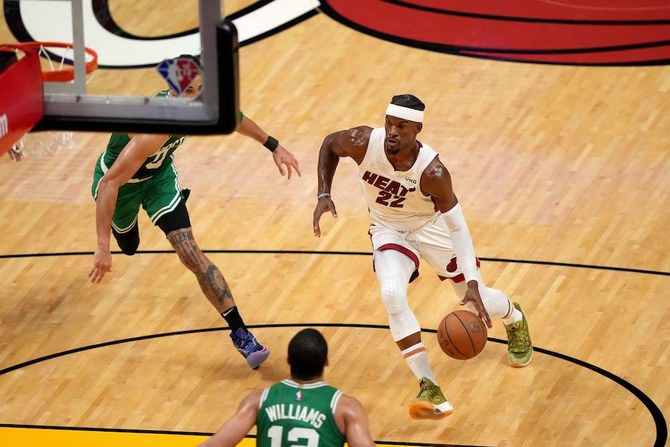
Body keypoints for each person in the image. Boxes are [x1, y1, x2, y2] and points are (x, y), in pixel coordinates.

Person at [312, 94, 533, 420]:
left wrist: (472, 280)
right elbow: (330, 144)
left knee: (477, 300)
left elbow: (458, 227)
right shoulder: (362, 142)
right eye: (389, 123)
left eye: (401, 126)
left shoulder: (433, 172)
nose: (392, 131)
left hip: (432, 229)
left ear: (417, 129)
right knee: (391, 294)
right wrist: (323, 193)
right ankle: (429, 386)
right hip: (388, 228)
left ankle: (513, 316)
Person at [89, 55, 301, 370]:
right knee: (129, 246)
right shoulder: (153, 128)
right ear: (173, 91)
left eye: (200, 88)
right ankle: (122, 234)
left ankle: (241, 334)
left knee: (191, 252)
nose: (197, 97)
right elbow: (109, 184)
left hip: (159, 180)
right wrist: (102, 246)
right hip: (122, 185)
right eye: (189, 91)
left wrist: (274, 145)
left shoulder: (204, 103)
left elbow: (234, 119)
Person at [198, 328, 375, 447]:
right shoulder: (346, 408)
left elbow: (214, 445)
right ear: (326, 362)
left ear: (289, 361)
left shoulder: (258, 401)